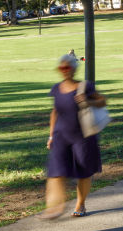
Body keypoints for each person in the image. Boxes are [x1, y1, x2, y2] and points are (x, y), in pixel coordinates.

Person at [42, 53, 107, 218]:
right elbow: (55, 112)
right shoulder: (56, 88)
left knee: (83, 172)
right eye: (61, 67)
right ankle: (55, 206)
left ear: (74, 68)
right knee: (56, 171)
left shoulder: (85, 86)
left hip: (83, 136)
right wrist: (51, 136)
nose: (64, 70)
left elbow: (102, 101)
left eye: (67, 67)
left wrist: (87, 101)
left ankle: (80, 204)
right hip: (61, 135)